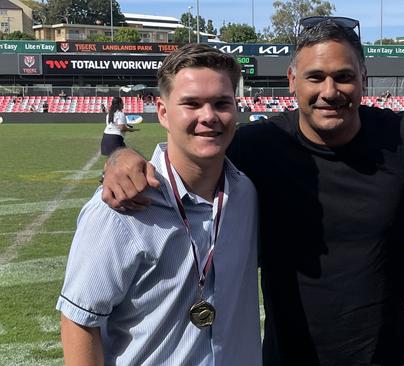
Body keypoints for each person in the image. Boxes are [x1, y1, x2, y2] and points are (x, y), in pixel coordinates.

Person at [100, 18, 404, 366]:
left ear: (363, 80)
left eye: (344, 76)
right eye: (315, 76)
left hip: (387, 353)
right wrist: (120, 157)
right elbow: (188, 154)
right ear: (293, 81)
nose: (330, 90)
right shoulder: (257, 145)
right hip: (288, 355)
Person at [57, 43, 262, 365]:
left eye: (222, 103)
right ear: (163, 112)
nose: (208, 116)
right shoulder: (120, 208)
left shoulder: (245, 193)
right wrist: (119, 156)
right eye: (191, 104)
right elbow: (79, 322)